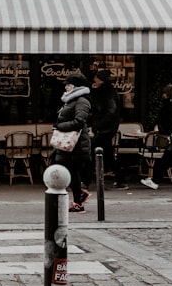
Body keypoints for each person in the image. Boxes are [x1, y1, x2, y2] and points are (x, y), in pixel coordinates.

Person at [49, 73, 92, 213]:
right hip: (68, 144)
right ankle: (77, 196)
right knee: (65, 170)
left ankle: (78, 202)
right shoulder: (71, 100)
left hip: (75, 145)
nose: (66, 87)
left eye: (68, 84)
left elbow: (80, 121)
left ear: (76, 86)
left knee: (71, 172)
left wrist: (60, 126)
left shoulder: (81, 101)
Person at [88, 69, 124, 188]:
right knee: (107, 153)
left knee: (94, 153)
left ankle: (85, 181)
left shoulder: (107, 93)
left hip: (105, 128)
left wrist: (98, 124)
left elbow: (110, 110)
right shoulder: (107, 91)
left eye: (96, 78)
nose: (94, 80)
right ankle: (120, 179)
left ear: (101, 80)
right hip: (107, 127)